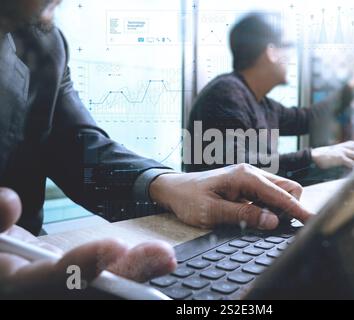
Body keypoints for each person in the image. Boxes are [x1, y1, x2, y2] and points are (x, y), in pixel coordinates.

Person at [0, 0, 311, 297]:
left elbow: (74, 145)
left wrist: (167, 184)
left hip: (30, 254)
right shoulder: (228, 93)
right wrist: (313, 156)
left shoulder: (44, 42)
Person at [187, 12, 354, 182]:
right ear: (272, 53)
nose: (293, 57)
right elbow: (237, 170)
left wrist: (353, 86)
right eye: (289, 47)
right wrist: (313, 157)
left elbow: (308, 118)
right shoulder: (226, 94)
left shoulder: (260, 102)